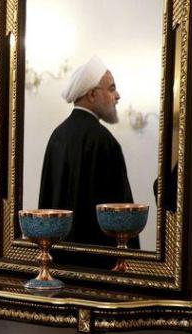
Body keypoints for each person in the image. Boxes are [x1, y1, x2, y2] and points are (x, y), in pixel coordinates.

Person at [38, 55, 137, 249]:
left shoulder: (57, 136)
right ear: (92, 94)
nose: (117, 96)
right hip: (98, 260)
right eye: (111, 89)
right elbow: (123, 214)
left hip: (57, 257)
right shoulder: (105, 141)